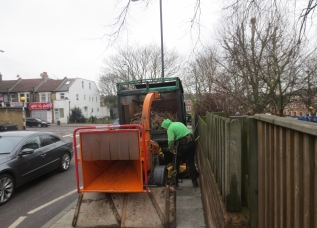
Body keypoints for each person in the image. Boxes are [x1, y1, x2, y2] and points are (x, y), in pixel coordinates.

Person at [161, 119, 199, 187]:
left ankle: (174, 183)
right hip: (192, 142)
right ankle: (195, 182)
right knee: (191, 162)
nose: (165, 129)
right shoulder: (179, 123)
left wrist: (171, 149)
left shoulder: (170, 128)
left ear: (166, 126)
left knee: (176, 163)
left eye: (164, 128)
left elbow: (171, 140)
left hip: (184, 145)